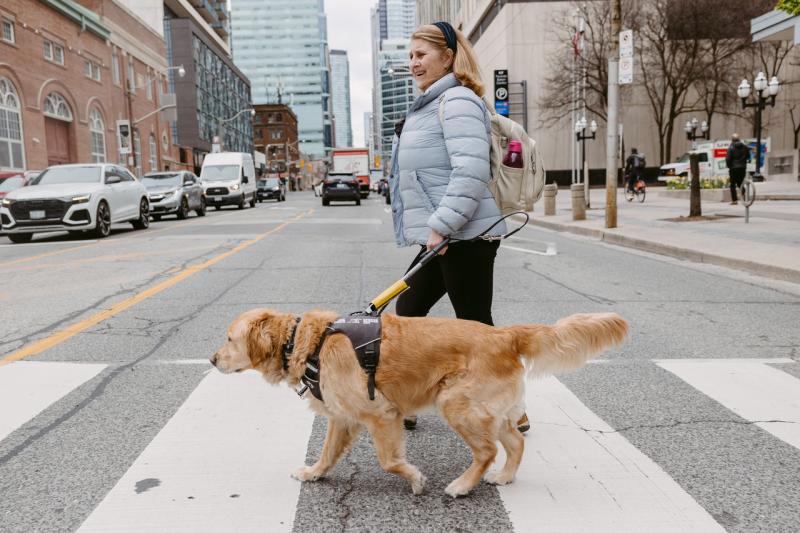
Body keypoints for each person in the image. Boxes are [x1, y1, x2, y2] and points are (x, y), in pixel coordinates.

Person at [387, 21, 529, 433]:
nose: (413, 63)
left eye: (421, 55)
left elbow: (469, 173)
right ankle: (408, 397)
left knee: (476, 327)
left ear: (447, 57)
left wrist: (443, 226)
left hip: (462, 235)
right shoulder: (430, 104)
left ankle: (512, 409)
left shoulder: (458, 101)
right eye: (410, 56)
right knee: (409, 310)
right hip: (447, 234)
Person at [726, 133, 750, 205]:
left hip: (733, 168)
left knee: (732, 184)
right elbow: (748, 157)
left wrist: (729, 166)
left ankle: (734, 200)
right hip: (742, 168)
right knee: (740, 183)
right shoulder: (745, 147)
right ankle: (744, 196)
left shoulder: (731, 148)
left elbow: (728, 159)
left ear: (732, 140)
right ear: (739, 139)